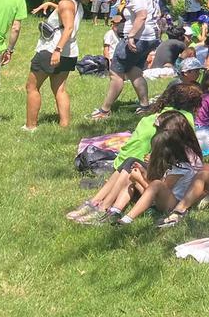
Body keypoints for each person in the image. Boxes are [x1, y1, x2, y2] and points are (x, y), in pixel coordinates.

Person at [68, 83, 201, 224]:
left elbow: (160, 187)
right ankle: (105, 208)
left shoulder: (182, 158)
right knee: (131, 163)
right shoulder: (181, 120)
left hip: (164, 197)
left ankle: (101, 207)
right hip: (158, 183)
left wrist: (142, 176)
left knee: (131, 165)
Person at [91, 0, 163, 120]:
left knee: (116, 73)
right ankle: (144, 106)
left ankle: (104, 111)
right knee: (134, 71)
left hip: (138, 38)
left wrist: (130, 36)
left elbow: (142, 16)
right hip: (150, 37)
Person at [23, 0, 91, 130]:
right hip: (70, 52)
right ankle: (64, 126)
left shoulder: (66, 4)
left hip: (52, 51)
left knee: (32, 87)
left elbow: (68, 27)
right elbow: (66, 12)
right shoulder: (75, 3)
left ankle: (30, 126)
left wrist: (57, 50)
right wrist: (49, 4)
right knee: (59, 89)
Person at [115, 112, 204, 226]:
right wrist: (143, 172)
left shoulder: (181, 169)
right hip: (165, 198)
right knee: (132, 176)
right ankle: (116, 210)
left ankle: (127, 219)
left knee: (154, 183)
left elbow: (156, 189)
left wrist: (141, 178)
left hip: (172, 204)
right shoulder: (176, 165)